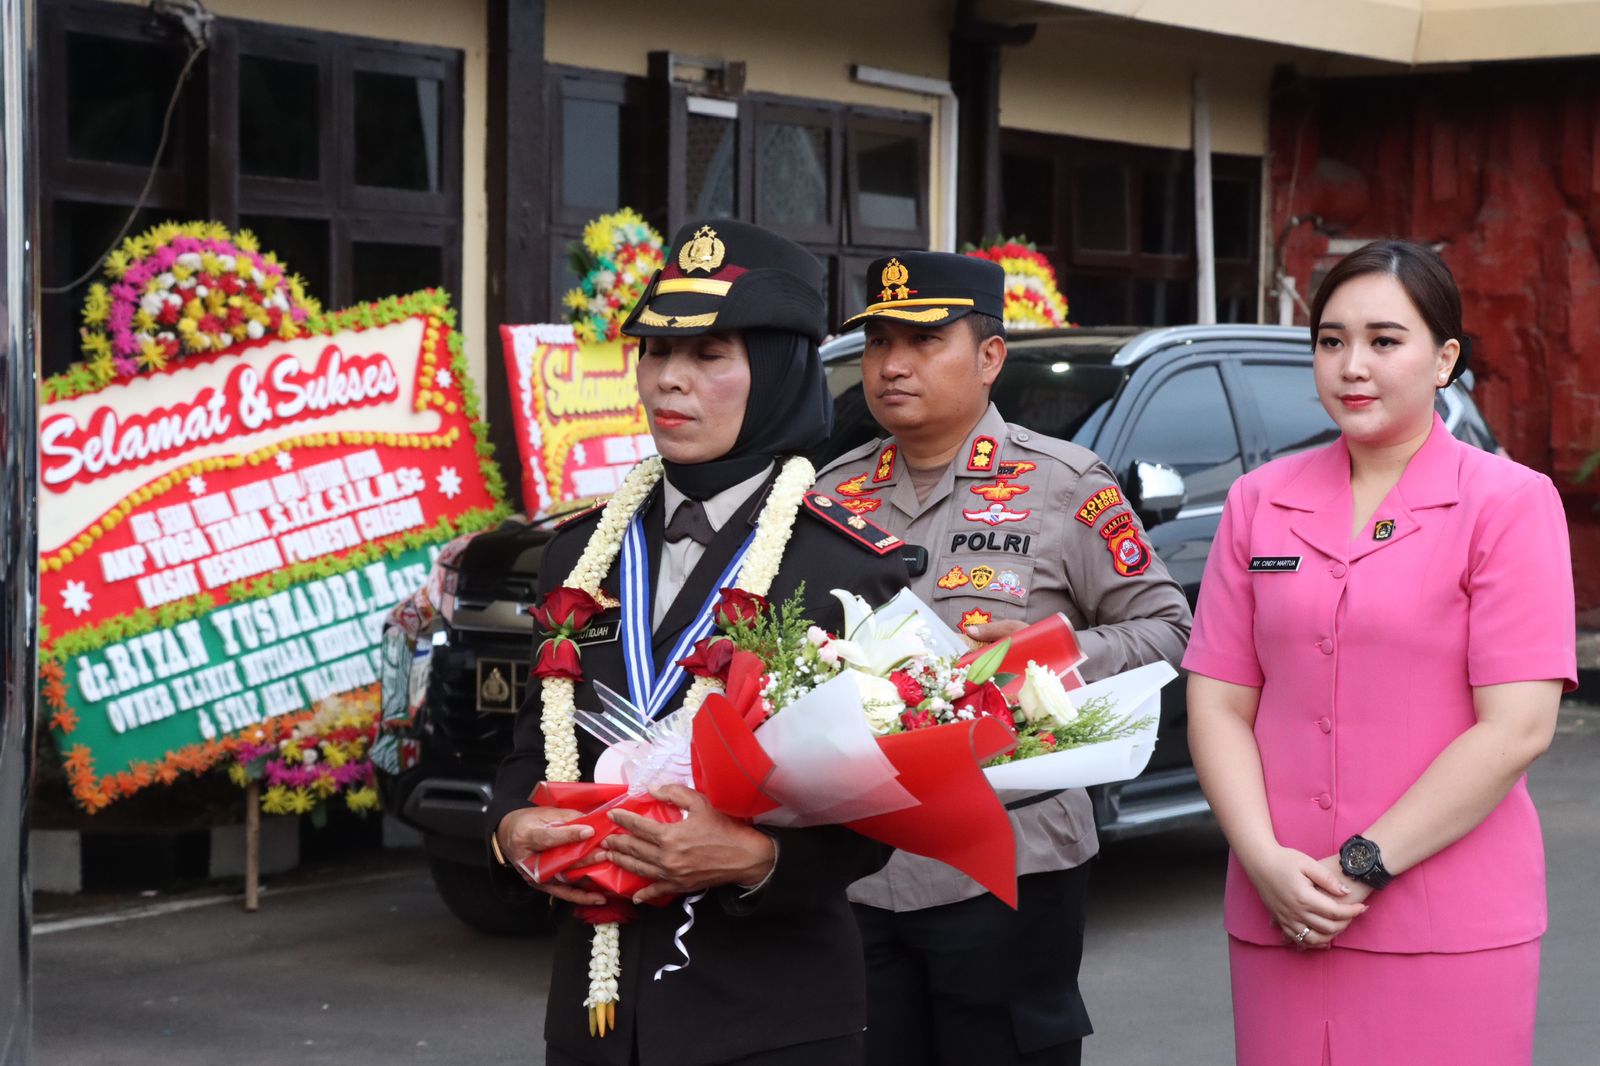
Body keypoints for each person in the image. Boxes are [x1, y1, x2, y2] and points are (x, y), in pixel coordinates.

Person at [489, 219, 909, 1066]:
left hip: (771, 1020)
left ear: (781, 370)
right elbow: (532, 744)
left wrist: (755, 858)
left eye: (708, 354)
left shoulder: (846, 565)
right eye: (654, 351)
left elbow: (887, 808)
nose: (667, 380)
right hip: (598, 1015)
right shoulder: (579, 554)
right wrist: (510, 827)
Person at [1183, 240, 1576, 1066]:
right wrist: (1263, 860)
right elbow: (1218, 701)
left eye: (1384, 340)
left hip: (1448, 922)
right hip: (1282, 909)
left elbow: (1518, 728)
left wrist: (1361, 865)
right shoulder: (1259, 502)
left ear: (1445, 359)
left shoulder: (1508, 503)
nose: (1352, 366)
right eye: (1331, 341)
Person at [817, 251, 1192, 1066]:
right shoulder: (830, 493)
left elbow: (1167, 627)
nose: (892, 365)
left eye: (922, 341)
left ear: (990, 357)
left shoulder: (1064, 483)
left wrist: (1046, 658)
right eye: (878, 343)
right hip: (859, 867)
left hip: (1011, 861)